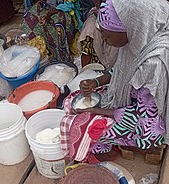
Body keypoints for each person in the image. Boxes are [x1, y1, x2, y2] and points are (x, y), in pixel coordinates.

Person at [61, 0, 169, 162]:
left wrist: (95, 112)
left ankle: (107, 150)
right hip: (133, 102)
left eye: (107, 35)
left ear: (131, 27)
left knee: (90, 128)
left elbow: (139, 114)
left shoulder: (152, 63)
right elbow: (121, 71)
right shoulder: (139, 38)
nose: (103, 39)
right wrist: (96, 82)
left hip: (147, 123)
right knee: (72, 102)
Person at [77, 0, 118, 69]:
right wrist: (85, 74)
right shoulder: (91, 28)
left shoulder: (122, 25)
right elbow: (86, 53)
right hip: (95, 68)